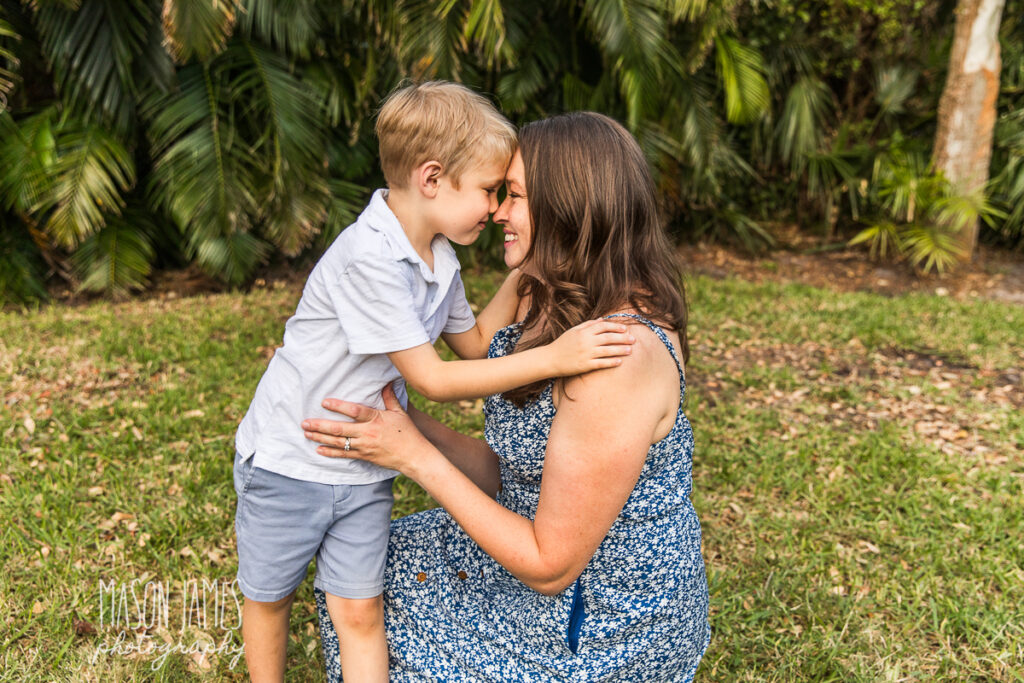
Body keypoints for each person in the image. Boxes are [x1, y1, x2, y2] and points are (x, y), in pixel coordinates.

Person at [233, 85, 636, 683]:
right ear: (431, 179)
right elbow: (438, 379)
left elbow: (472, 345)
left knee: (360, 608)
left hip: (365, 463)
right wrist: (556, 356)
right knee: (269, 598)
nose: (495, 208)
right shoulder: (369, 259)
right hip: (294, 460)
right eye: (487, 190)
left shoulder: (437, 258)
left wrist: (532, 263)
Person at [304, 111, 710, 681]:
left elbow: (549, 565)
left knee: (377, 601)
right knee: (362, 565)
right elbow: (516, 470)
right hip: (531, 542)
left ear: (568, 204)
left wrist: (414, 458)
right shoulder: (540, 281)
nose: (496, 211)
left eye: (513, 195)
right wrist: (397, 420)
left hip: (597, 621)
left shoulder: (617, 355)